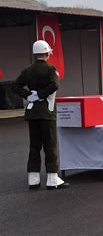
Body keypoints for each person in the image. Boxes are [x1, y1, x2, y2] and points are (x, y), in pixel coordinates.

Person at [13, 40, 69, 190]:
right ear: (47, 53)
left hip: (32, 113)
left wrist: (29, 95)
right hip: (47, 112)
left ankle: (33, 179)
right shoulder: (51, 69)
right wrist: (41, 94)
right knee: (50, 144)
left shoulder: (27, 70)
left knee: (34, 145)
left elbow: (15, 86)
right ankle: (52, 179)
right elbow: (54, 85)